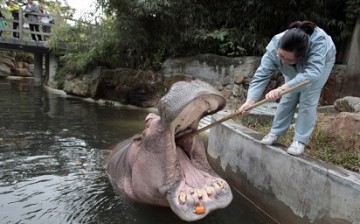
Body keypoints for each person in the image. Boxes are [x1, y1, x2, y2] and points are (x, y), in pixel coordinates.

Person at [238, 21, 336, 156]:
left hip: (321, 64)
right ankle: (276, 132)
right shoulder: (275, 46)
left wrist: (282, 87)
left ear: (302, 56)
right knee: (289, 95)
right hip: (295, 60)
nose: (283, 62)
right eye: (281, 56)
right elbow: (262, 74)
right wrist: (250, 101)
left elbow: (313, 73)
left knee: (308, 97)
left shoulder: (318, 43)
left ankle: (299, 140)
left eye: (288, 60)